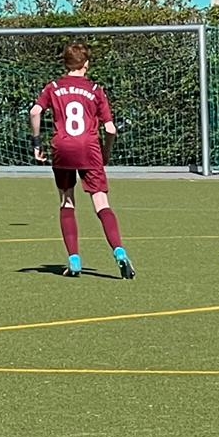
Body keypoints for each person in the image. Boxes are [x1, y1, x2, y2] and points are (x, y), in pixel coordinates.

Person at [29, 43, 135, 279]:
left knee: (67, 201)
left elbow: (35, 112)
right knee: (101, 202)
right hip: (89, 149)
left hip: (62, 148)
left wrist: (36, 143)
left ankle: (74, 259)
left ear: (65, 64)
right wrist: (106, 152)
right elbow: (110, 129)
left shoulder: (54, 87)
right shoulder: (95, 90)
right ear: (86, 64)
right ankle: (119, 251)